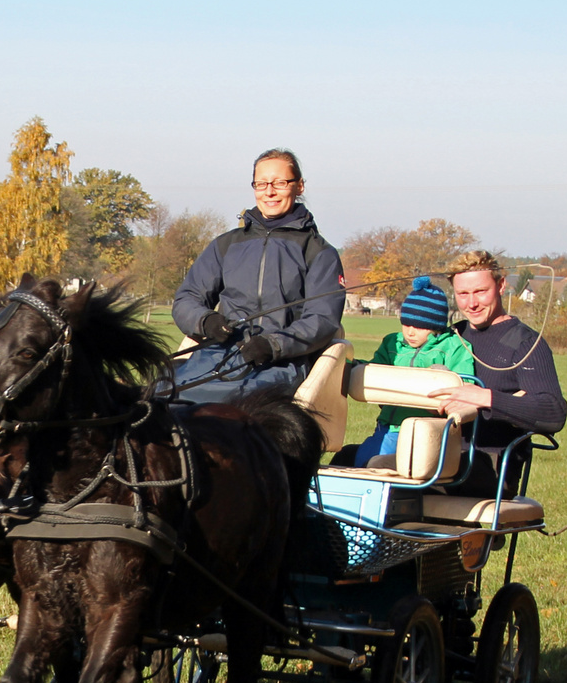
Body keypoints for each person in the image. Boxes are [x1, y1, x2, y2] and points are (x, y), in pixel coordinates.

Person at [170, 149, 345, 402]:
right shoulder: (226, 244)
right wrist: (206, 321)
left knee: (230, 409)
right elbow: (187, 299)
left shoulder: (319, 252)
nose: (269, 192)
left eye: (280, 183)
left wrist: (273, 345)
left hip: (280, 364)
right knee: (158, 400)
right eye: (261, 184)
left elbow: (322, 319)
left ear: (299, 186)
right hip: (217, 353)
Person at [430, 251, 567, 498]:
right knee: (357, 462)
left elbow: (553, 412)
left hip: (489, 466)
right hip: (434, 452)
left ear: (501, 285)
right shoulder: (450, 337)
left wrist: (484, 398)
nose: (471, 303)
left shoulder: (526, 344)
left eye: (481, 291)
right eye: (463, 294)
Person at [353, 276, 475, 466]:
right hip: (388, 426)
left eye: (419, 327)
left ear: (436, 327)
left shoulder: (454, 347)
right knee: (362, 457)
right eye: (406, 324)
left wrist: (438, 387)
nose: (410, 332)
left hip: (429, 431)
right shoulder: (393, 343)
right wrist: (354, 367)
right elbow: (374, 370)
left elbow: (466, 387)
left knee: (369, 462)